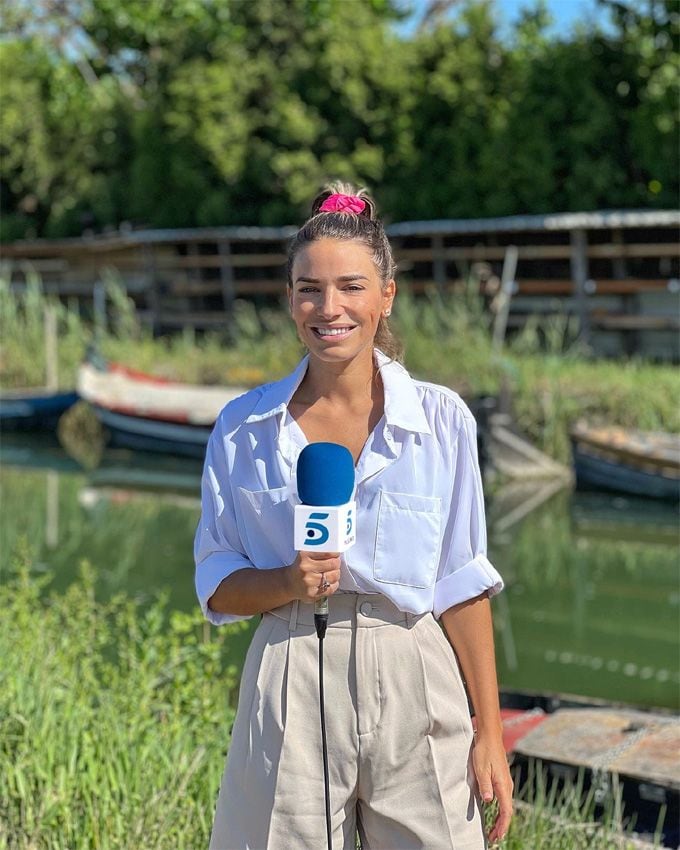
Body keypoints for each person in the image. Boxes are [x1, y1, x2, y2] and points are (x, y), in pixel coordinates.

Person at [194, 183, 514, 850]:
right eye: (309, 288)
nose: (329, 308)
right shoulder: (242, 429)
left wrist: (491, 732)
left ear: (386, 295)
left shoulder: (441, 421)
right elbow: (217, 581)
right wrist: (287, 580)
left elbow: (461, 582)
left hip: (413, 669)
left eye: (351, 286)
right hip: (290, 668)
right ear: (289, 298)